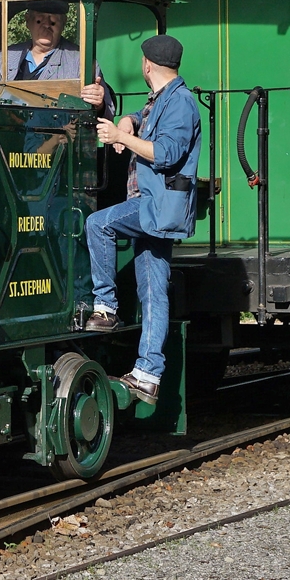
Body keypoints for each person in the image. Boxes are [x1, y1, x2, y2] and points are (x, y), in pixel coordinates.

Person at [82, 34, 202, 406]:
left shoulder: (181, 103)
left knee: (98, 223)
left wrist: (119, 135)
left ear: (147, 65)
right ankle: (147, 375)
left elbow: (165, 153)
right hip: (152, 206)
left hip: (156, 207)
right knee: (153, 293)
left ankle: (106, 308)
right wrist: (131, 122)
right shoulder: (162, 100)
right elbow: (147, 124)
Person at [0, 5, 111, 112]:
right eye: (40, 19)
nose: (46, 24)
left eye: (53, 20)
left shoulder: (81, 61)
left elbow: (108, 112)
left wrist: (99, 104)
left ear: (63, 22)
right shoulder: (4, 58)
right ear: (28, 21)